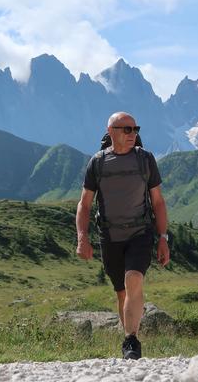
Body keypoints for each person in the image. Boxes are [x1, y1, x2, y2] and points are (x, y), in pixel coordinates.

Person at [75, 112, 170, 360]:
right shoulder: (97, 163)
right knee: (121, 292)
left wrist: (163, 238)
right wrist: (82, 237)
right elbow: (84, 204)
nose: (133, 134)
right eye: (127, 129)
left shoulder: (145, 160)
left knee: (134, 279)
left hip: (140, 233)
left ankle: (131, 341)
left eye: (135, 128)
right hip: (110, 236)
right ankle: (129, 334)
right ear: (111, 130)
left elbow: (158, 202)